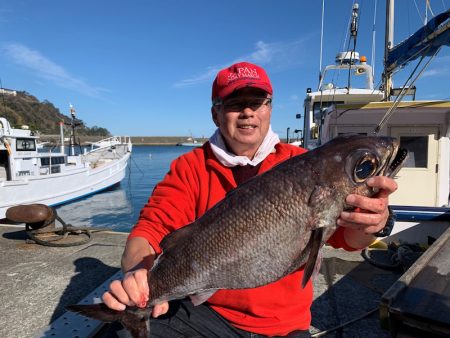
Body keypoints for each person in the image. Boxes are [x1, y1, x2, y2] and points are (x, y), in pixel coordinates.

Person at [102, 61, 398, 337]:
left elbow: (347, 240)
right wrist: (137, 273)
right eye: (234, 104)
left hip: (284, 326)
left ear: (269, 109)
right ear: (215, 114)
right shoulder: (190, 167)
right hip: (208, 314)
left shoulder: (301, 162)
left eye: (257, 102)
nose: (248, 112)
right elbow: (149, 230)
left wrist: (371, 223)